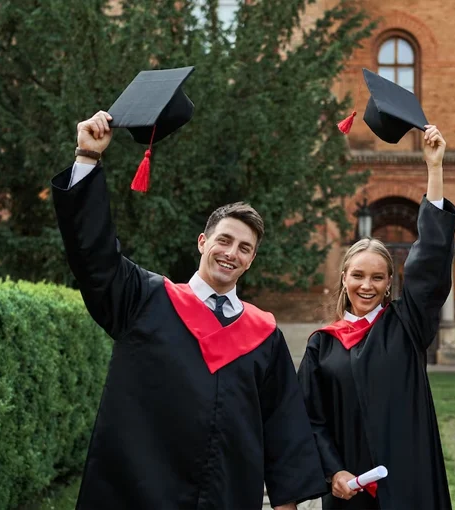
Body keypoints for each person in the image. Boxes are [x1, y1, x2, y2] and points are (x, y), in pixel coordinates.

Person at [51, 105, 327, 509]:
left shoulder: (264, 336)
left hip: (226, 495)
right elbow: (92, 254)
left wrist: (286, 504)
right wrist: (87, 158)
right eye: (225, 240)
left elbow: (283, 426)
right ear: (202, 242)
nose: (231, 253)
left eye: (245, 248)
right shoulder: (143, 298)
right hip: (140, 493)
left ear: (251, 261)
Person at [297, 118, 455, 509]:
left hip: (410, 486)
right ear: (344, 278)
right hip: (349, 492)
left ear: (389, 284)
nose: (366, 286)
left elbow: (430, 264)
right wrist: (334, 472)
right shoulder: (323, 345)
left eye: (377, 277)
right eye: (358, 275)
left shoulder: (406, 326)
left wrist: (434, 170)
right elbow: (308, 419)